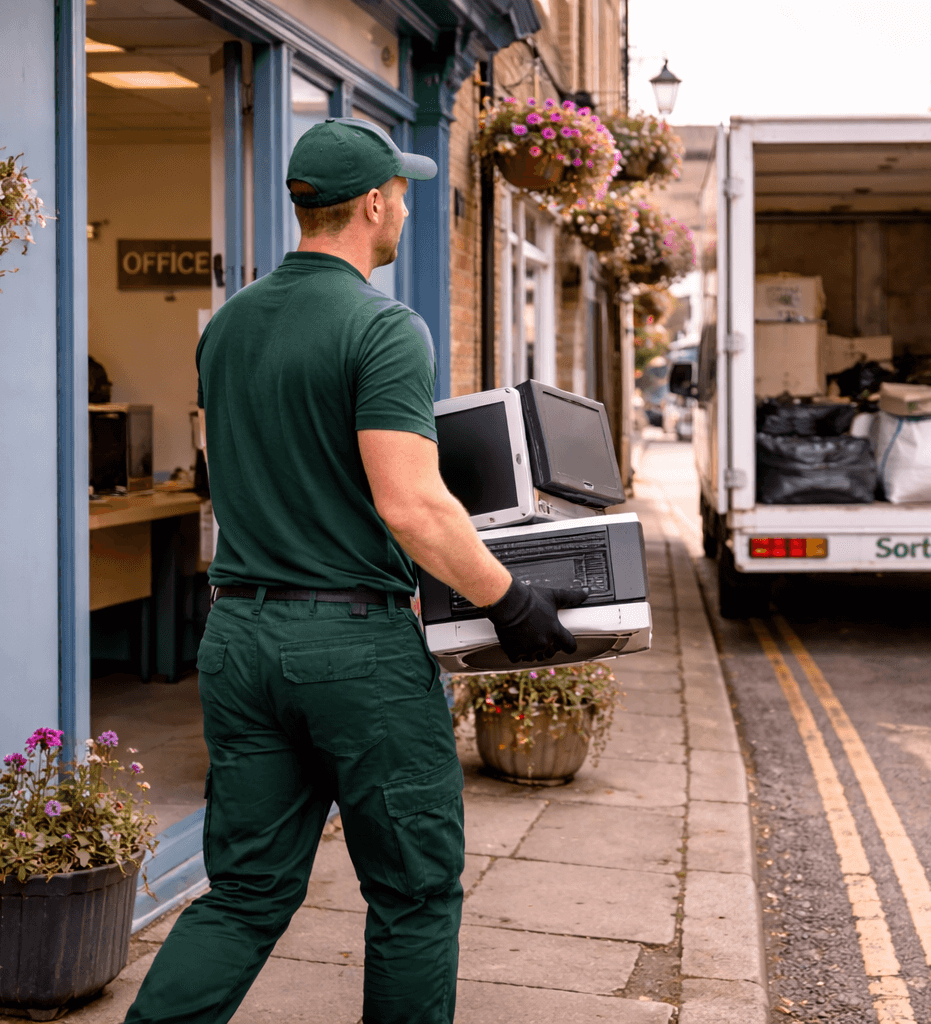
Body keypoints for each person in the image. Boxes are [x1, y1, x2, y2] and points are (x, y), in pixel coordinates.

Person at [124, 118, 586, 1024]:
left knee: (246, 891)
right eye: (402, 195)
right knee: (415, 892)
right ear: (373, 203)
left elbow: (257, 470)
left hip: (239, 635)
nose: (407, 210)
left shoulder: (228, 327)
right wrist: (513, 602)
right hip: (352, 649)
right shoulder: (384, 327)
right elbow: (411, 506)